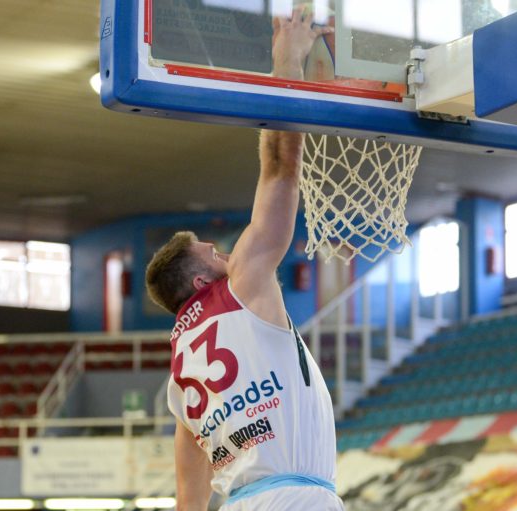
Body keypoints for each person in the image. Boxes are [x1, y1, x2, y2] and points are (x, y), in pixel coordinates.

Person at [145, 7, 342, 511]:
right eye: (214, 253)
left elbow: (188, 483)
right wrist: (287, 62)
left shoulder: (181, 374)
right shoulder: (240, 287)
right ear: (200, 282)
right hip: (294, 498)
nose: (228, 253)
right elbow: (280, 171)